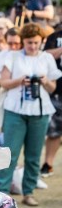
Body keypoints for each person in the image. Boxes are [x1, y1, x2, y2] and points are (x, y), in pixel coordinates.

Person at [0, 23, 62, 207]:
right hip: (15, 110)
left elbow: (52, 88)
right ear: (23, 41)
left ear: (41, 41)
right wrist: (19, 81)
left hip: (39, 110)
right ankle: (2, 191)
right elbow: (4, 82)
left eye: (35, 42)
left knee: (34, 154)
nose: (32, 46)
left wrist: (45, 81)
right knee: (10, 152)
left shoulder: (47, 58)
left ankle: (29, 191)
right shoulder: (13, 56)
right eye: (29, 42)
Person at [41, 26, 62, 177]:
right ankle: (48, 164)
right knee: (54, 131)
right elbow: (45, 55)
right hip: (58, 90)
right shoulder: (55, 37)